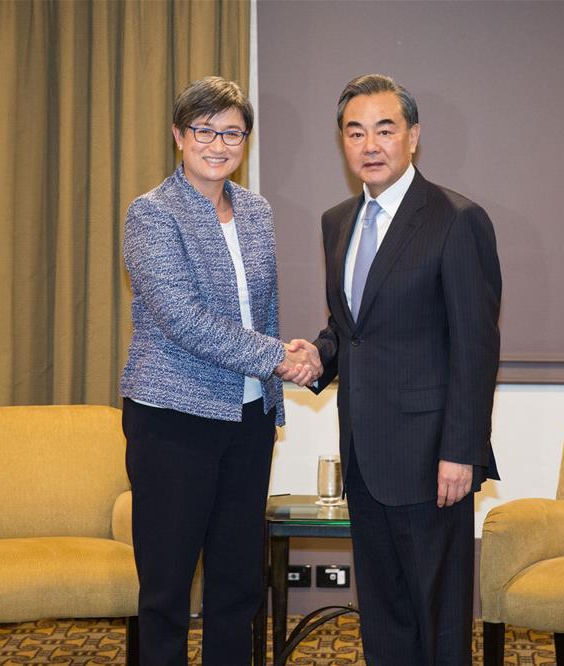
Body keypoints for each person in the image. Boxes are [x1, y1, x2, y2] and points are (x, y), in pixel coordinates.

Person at [287, 74, 502, 665]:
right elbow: (350, 328)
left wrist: (461, 450)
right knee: (382, 619)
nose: (371, 144)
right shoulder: (338, 221)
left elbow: (475, 347)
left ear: (413, 137)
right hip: (363, 455)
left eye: (385, 129)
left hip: (433, 458)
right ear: (343, 142)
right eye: (356, 132)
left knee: (438, 622)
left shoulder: (456, 219)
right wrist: (319, 356)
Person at [120, 76, 320, 665]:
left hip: (248, 418)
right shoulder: (151, 214)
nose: (218, 143)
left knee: (237, 586)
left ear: (245, 141)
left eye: (231, 132)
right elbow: (183, 318)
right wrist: (278, 358)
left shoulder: (256, 211)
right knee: (167, 590)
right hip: (172, 422)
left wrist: (290, 352)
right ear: (179, 136)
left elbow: (259, 311)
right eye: (204, 130)